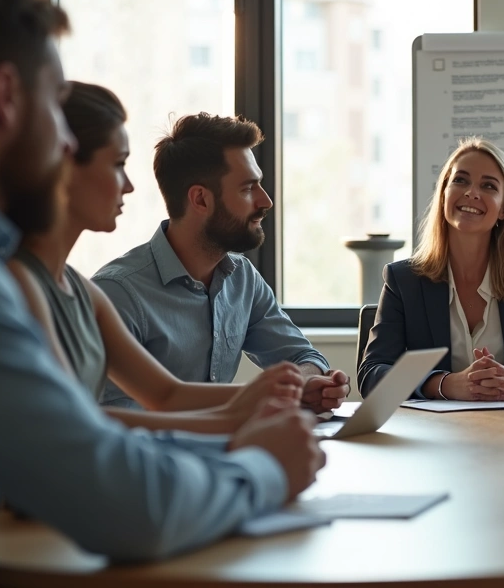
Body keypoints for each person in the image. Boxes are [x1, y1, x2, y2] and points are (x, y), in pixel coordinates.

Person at [0, 0, 323, 586]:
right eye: (54, 104)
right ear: (5, 96)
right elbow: (122, 504)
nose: (65, 143)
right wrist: (263, 470)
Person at [8, 81, 304, 433]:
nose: (129, 185)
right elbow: (72, 424)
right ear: (64, 163)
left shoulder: (82, 289)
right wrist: (242, 423)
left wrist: (266, 398)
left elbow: (166, 395)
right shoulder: (31, 281)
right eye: (118, 164)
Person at [92, 112, 348, 413]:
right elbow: (119, 423)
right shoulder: (118, 294)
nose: (266, 201)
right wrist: (260, 405)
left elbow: (301, 355)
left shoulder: (242, 279)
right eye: (247, 188)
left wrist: (306, 382)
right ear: (200, 200)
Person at [358, 137, 504, 400]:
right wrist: (445, 384)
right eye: (460, 180)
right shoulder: (403, 280)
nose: (472, 192)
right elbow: (372, 375)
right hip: (433, 435)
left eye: (488, 186)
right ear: (443, 193)